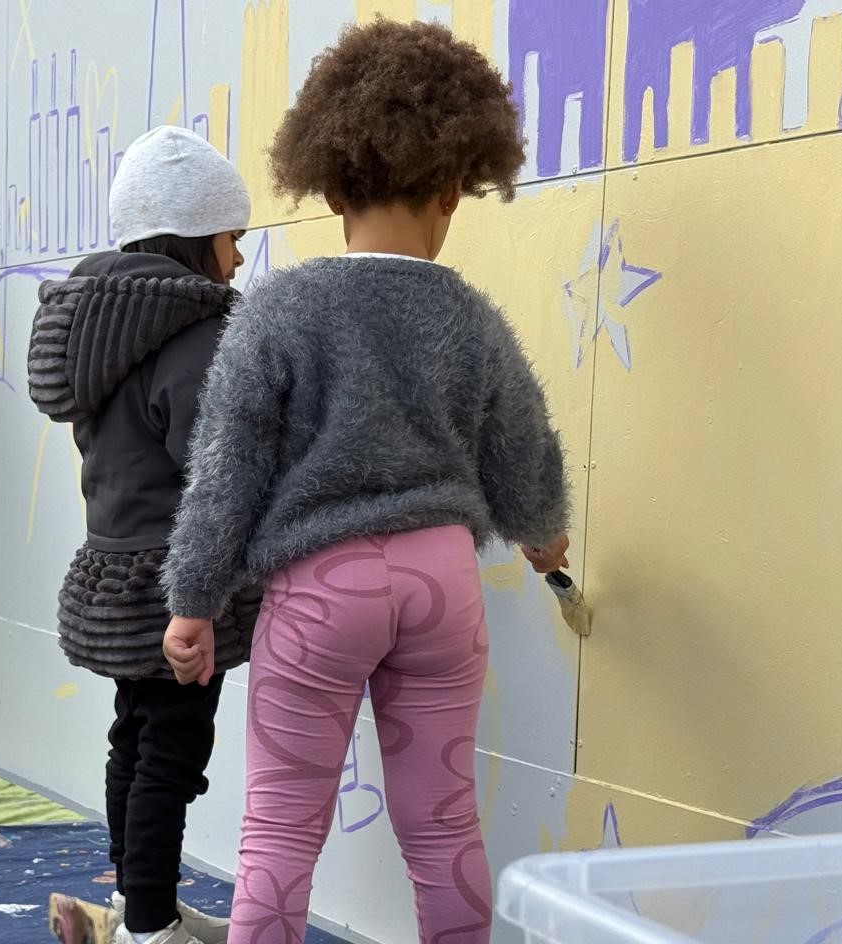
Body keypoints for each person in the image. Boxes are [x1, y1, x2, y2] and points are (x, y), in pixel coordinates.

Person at [160, 21, 571, 943]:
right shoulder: (471, 319)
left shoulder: (279, 310)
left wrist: (193, 600)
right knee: (444, 828)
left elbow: (226, 469)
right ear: (452, 189)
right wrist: (544, 533)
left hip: (320, 591)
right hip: (441, 583)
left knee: (279, 829)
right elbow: (522, 449)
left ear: (332, 185)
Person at [29, 125, 256, 944]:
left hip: (115, 569)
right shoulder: (195, 336)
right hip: (176, 582)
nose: (239, 258)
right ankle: (151, 925)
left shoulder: (96, 327)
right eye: (232, 236)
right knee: (172, 754)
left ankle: (136, 902)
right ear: (195, 238)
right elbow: (215, 470)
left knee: (136, 737)